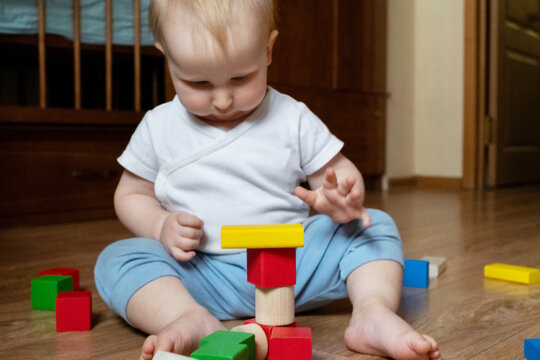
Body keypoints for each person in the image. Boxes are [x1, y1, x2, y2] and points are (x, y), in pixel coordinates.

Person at [94, 1, 441, 359]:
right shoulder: (158, 127)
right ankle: (187, 317)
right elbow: (130, 194)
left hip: (292, 268)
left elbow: (339, 172)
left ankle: (372, 312)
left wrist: (342, 198)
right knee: (118, 258)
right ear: (167, 58)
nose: (224, 100)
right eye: (198, 82)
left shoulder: (293, 118)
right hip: (200, 273)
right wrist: (160, 223)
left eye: (241, 78)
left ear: (268, 50)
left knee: (374, 226)